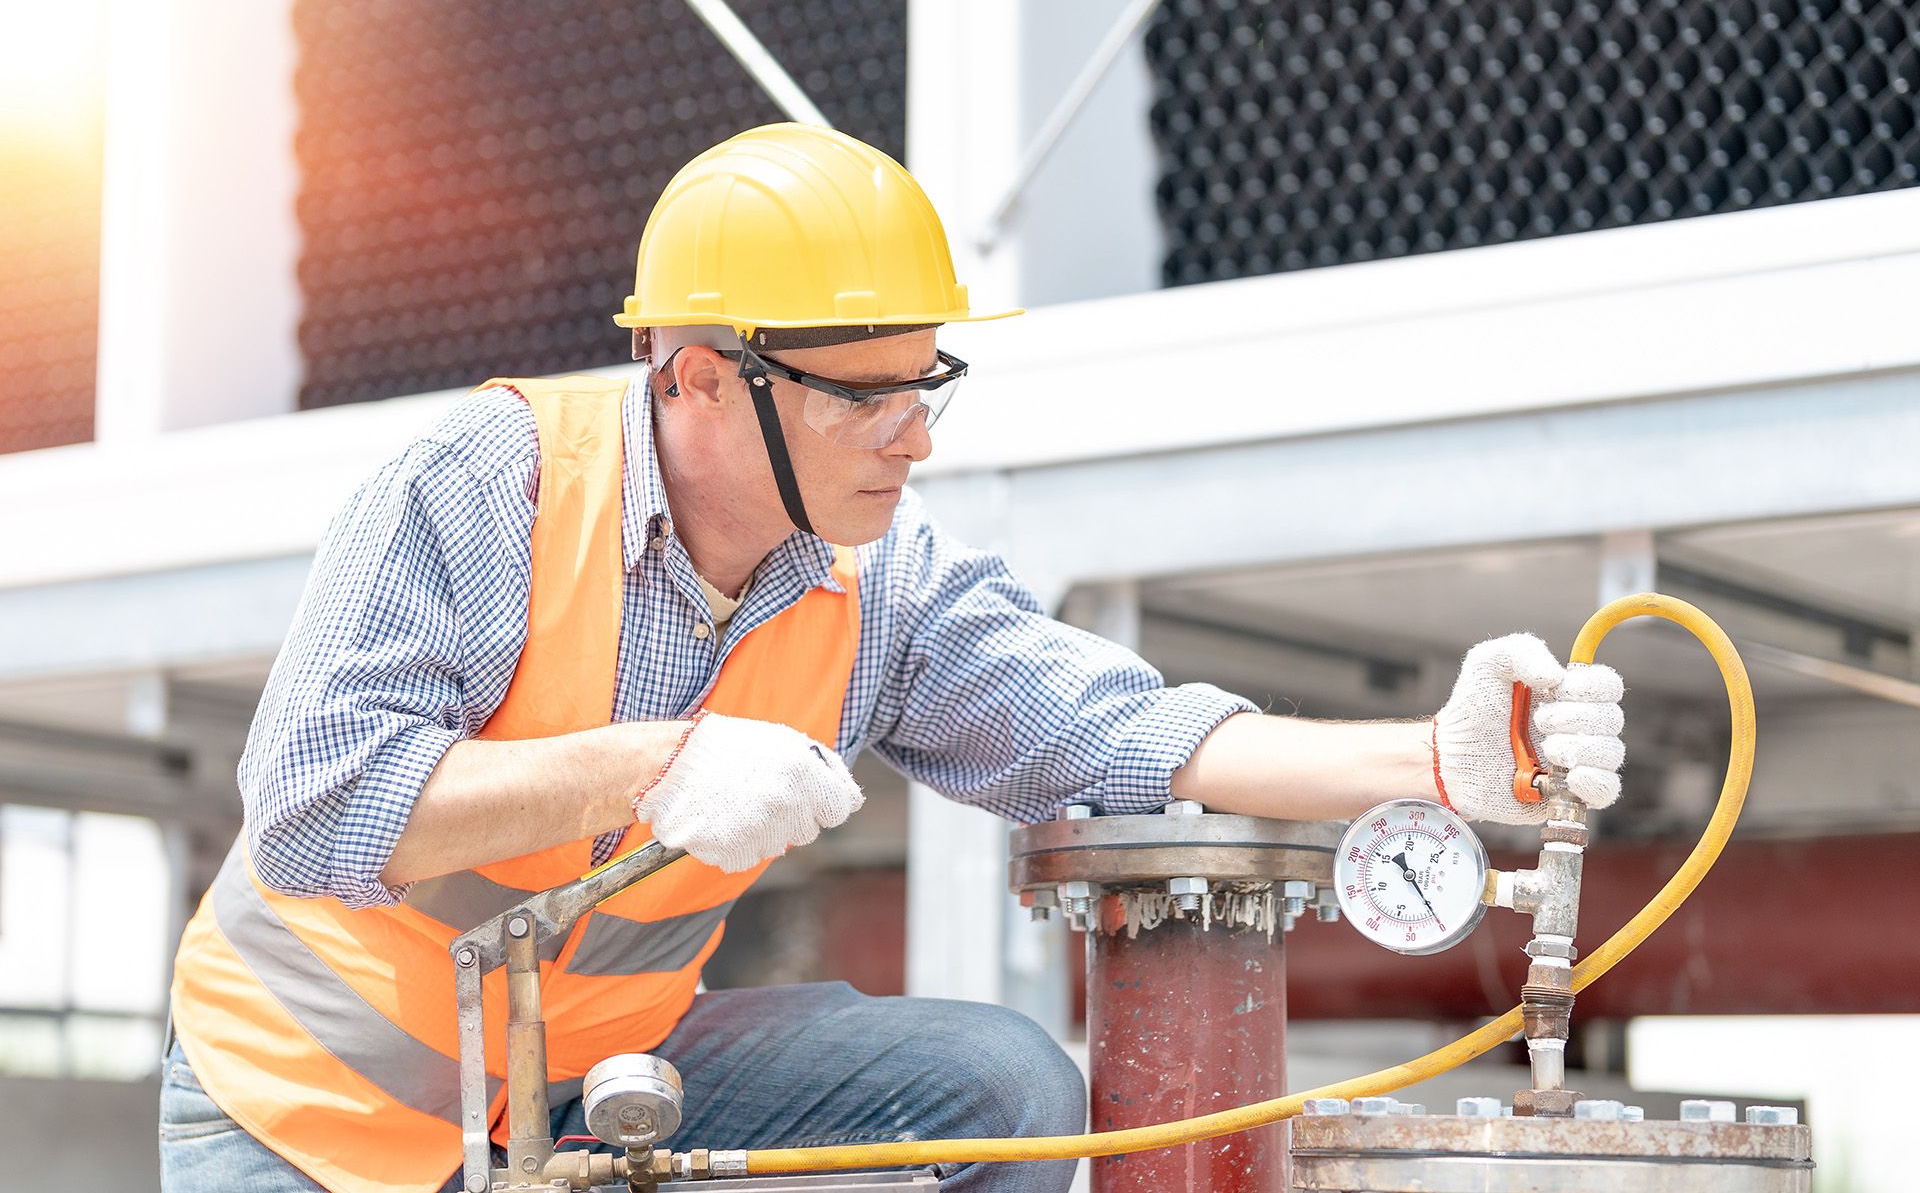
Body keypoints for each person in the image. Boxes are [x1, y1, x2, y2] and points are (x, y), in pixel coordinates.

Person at [159, 123, 1625, 1193]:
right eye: (864, 395)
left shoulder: (883, 581)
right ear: (697, 383)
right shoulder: (490, 487)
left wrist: (1440, 756)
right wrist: (656, 765)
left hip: (579, 1074)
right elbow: (315, 808)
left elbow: (1113, 731)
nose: (915, 434)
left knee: (1000, 1087)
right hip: (304, 1109)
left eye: (930, 382)